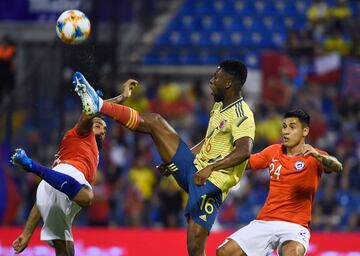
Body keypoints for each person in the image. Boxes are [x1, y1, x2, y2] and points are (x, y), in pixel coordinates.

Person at [73, 59, 255, 255]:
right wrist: (179, 159)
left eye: (216, 77)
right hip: (194, 168)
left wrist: (211, 168)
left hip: (211, 184)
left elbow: (244, 151)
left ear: (228, 83)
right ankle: (99, 105)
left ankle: (100, 105)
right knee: (155, 121)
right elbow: (209, 141)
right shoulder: (219, 107)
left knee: (194, 247)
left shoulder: (242, 114)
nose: (211, 81)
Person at [11, 79, 137, 255]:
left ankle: (34, 166)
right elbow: (88, 116)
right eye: (99, 125)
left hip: (52, 187)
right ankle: (33, 166)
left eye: (105, 129)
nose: (102, 130)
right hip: (68, 173)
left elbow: (43, 201)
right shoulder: (81, 133)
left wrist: (26, 234)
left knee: (66, 250)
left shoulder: (92, 147)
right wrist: (110, 102)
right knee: (87, 196)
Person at [216, 109, 343, 256]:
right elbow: (246, 163)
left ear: (305, 131)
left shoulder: (314, 156)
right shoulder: (273, 151)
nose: (286, 131)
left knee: (292, 253)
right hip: (265, 222)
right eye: (284, 126)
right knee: (224, 252)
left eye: (292, 127)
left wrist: (318, 156)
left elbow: (337, 166)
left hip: (295, 227)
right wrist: (217, 162)